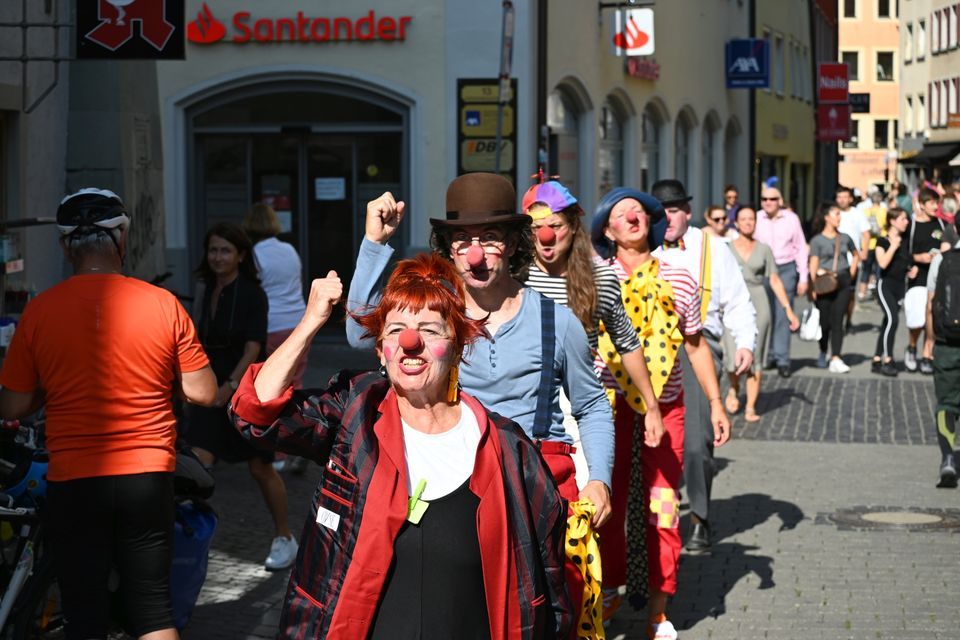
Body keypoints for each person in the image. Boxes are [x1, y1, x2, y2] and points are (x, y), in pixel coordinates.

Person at [230, 254, 572, 638]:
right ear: (380, 350)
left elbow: (549, 576)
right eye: (395, 331)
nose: (410, 342)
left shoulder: (507, 447)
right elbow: (254, 412)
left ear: (458, 348)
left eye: (429, 329)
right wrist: (310, 321)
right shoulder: (354, 416)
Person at [345, 173, 616, 606]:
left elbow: (592, 406)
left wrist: (599, 479)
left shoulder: (556, 322)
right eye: (462, 239)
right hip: (459, 492)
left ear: (511, 242)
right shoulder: (435, 319)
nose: (475, 254)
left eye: (489, 238)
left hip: (536, 491)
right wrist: (374, 244)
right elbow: (363, 336)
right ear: (448, 247)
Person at [0, 188, 218, 640]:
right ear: (121, 238)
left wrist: (52, 383)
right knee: (152, 607)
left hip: (75, 477)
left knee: (83, 610)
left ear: (65, 246)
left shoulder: (39, 312)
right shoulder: (163, 304)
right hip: (147, 475)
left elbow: (13, 405)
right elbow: (203, 392)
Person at [519, 178, 664, 619]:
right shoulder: (514, 275)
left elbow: (626, 340)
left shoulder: (600, 276)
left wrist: (651, 405)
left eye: (557, 226)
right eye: (536, 227)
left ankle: (579, 604)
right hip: (524, 409)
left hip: (577, 413)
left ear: (574, 226)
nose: (547, 237)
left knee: (580, 513)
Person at [592, 187, 732, 640]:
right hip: (606, 407)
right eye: (621, 211)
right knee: (605, 505)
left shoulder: (680, 276)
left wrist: (715, 403)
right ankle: (609, 587)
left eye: (639, 210)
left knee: (663, 505)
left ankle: (658, 608)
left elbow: (695, 344)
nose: (632, 215)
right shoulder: (592, 279)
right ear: (607, 230)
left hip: (666, 406)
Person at [651, 179, 756, 553]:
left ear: (688, 213)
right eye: (661, 210)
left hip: (696, 349)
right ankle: (658, 524)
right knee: (653, 446)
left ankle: (699, 517)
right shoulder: (634, 245)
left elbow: (739, 301)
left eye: (675, 209)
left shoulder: (712, 247)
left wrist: (745, 342)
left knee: (697, 446)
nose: (668, 217)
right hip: (645, 353)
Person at [185, 223, 298, 571]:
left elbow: (253, 346)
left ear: (241, 256)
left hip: (245, 382)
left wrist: (230, 386)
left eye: (225, 251)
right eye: (213, 250)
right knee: (198, 460)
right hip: (209, 381)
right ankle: (188, 537)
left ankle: (285, 536)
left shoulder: (252, 293)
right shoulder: (206, 288)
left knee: (260, 466)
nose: (218, 257)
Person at [243, 203, 309, 474]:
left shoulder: (255, 254)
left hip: (272, 325)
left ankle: (279, 452)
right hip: (298, 322)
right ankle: (303, 442)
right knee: (295, 386)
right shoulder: (289, 250)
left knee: (272, 390)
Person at [722, 207, 800, 422]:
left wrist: (788, 310)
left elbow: (774, 280)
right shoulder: (726, 249)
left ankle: (751, 406)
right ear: (736, 223)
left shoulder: (764, 249)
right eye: (743, 219)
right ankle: (733, 388)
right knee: (732, 354)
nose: (748, 223)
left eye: (751, 219)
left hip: (758, 304)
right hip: (732, 305)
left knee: (755, 356)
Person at [754, 186, 809, 378]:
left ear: (780, 201)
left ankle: (783, 359)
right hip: (762, 270)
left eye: (772, 199)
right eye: (764, 199)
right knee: (764, 314)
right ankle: (767, 356)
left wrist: (803, 277)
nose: (768, 202)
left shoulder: (791, 219)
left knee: (784, 314)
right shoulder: (757, 217)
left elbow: (801, 247)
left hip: (785, 268)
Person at [927, 218, 960, 488]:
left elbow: (931, 303)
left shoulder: (942, 260)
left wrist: (928, 340)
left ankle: (948, 458)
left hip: (947, 341)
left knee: (946, 403)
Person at [809, 203, 860, 373]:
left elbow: (856, 255)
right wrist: (813, 286)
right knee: (824, 322)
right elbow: (813, 264)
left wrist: (851, 272)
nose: (839, 217)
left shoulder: (845, 238)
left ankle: (836, 357)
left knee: (838, 320)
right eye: (836, 214)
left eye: (840, 214)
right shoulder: (817, 240)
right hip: (824, 283)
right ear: (826, 217)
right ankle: (823, 351)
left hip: (843, 280)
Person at [904, 188, 946, 375]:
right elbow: (904, 253)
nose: (936, 207)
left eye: (937, 203)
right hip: (918, 276)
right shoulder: (911, 226)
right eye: (932, 203)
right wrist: (916, 259)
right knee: (918, 320)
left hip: (937, 277)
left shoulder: (942, 225)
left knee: (932, 315)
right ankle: (912, 347)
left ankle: (927, 354)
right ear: (921, 204)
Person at [873, 208, 915, 377]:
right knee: (893, 319)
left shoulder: (906, 240)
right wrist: (893, 246)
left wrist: (910, 270)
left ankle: (876, 358)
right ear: (892, 221)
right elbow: (882, 264)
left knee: (887, 323)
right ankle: (888, 359)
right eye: (903, 219)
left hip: (899, 286)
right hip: (885, 286)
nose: (906, 222)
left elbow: (904, 262)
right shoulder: (882, 241)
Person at [836, 186, 871, 333]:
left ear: (850, 198)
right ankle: (835, 320)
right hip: (834, 260)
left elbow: (866, 233)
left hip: (852, 260)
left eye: (845, 197)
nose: (842, 200)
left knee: (849, 293)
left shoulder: (857, 214)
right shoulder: (833, 213)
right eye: (839, 197)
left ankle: (847, 320)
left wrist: (864, 252)